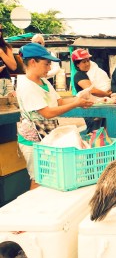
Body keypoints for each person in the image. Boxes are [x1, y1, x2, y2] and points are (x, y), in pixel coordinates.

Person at [16, 43, 93, 189]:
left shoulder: (44, 81)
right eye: (46, 64)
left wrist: (79, 100)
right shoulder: (27, 86)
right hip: (33, 142)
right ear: (33, 62)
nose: (49, 68)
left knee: (49, 175)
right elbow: (47, 112)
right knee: (38, 178)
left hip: (46, 136)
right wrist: (76, 104)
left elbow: (59, 101)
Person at [72, 48, 112, 132]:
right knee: (94, 134)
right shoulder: (79, 75)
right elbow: (92, 90)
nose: (87, 64)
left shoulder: (90, 74)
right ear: (77, 64)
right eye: (83, 62)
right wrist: (107, 94)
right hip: (90, 111)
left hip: (97, 108)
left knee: (102, 134)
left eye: (88, 61)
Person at [0, 24, 17, 96]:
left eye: (0, 30)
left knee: (11, 104)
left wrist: (2, 53)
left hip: (6, 81)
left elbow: (13, 67)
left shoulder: (5, 47)